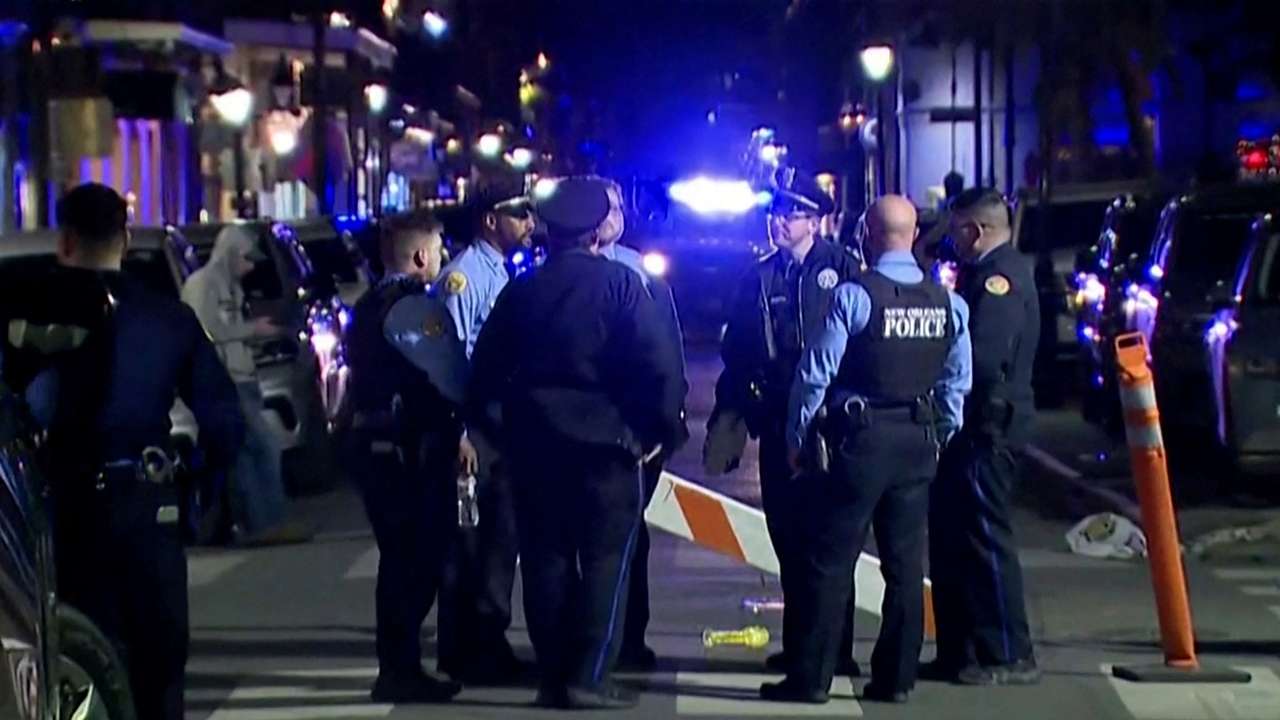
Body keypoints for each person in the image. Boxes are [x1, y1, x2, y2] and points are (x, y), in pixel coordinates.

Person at [0, 183, 245, 720]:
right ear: (126, 238)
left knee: (78, 661)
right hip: (146, 503)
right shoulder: (165, 318)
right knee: (159, 664)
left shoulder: (25, 316)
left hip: (63, 506)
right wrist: (195, 484)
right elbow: (225, 423)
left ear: (65, 240)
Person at [468, 176, 686, 709]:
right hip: (608, 448)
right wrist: (655, 434)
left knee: (546, 561)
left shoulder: (521, 290)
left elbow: (484, 376)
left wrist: (506, 433)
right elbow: (659, 368)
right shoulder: (621, 286)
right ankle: (589, 674)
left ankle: (553, 674)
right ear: (595, 232)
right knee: (607, 563)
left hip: (536, 448)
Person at [770, 194, 970, 704]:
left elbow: (815, 374)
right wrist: (941, 433)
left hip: (860, 442)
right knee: (904, 567)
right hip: (917, 440)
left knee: (830, 560)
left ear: (869, 235)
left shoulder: (855, 297)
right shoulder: (948, 302)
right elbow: (956, 382)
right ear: (913, 235)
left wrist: (797, 438)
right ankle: (896, 678)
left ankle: (812, 679)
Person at [704, 167, 862, 677]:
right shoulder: (760, 275)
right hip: (776, 422)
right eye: (775, 213)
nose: (778, 222)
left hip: (829, 425)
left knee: (830, 543)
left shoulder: (843, 268)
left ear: (815, 221)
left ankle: (835, 650)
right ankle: (801, 646)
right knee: (788, 538)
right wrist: (727, 419)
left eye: (790, 214)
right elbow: (739, 351)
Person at [344, 211, 469, 703]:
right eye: (437, 248)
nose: (440, 256)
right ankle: (400, 668)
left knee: (399, 560)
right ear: (420, 256)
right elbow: (450, 381)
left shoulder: (369, 304)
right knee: (416, 563)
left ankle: (399, 665)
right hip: (410, 453)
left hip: (375, 449)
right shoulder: (417, 308)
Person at [925, 187, 1041, 686]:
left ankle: (1008, 652)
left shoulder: (1000, 280)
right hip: (970, 429)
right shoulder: (983, 275)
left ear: (975, 231)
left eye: (955, 231)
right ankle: (962, 651)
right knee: (954, 541)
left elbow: (983, 356)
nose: (951, 241)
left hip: (988, 429)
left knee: (986, 540)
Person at [436, 177, 534, 682]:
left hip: (499, 426)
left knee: (499, 541)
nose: (529, 224)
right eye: (519, 215)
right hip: (478, 431)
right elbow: (448, 362)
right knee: (474, 543)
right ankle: (466, 649)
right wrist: (460, 433)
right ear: (491, 220)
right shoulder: (464, 278)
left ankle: (483, 642)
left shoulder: (501, 271)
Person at [597, 177, 690, 670]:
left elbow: (667, 353)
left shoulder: (641, 272)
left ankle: (629, 638)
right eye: (604, 208)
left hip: (634, 432)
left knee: (632, 537)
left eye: (617, 207)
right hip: (588, 427)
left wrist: (665, 424)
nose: (613, 216)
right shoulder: (562, 273)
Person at [181, 225, 312, 546]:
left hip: (243, 378)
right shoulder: (203, 285)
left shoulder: (231, 286)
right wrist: (252, 329)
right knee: (264, 445)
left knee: (246, 454)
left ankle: (256, 522)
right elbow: (203, 331)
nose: (251, 267)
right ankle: (265, 521)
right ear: (229, 254)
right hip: (225, 382)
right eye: (246, 259)